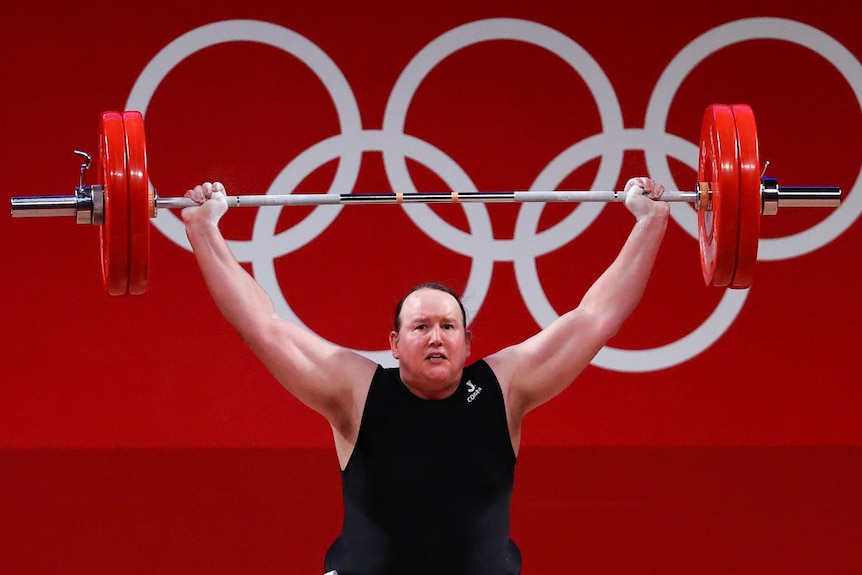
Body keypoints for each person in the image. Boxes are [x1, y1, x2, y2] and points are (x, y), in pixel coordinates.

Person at [181, 177, 669, 575]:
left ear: (468, 343)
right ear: (393, 344)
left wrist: (651, 224)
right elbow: (262, 327)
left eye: (448, 327)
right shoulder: (355, 392)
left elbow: (594, 319)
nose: (436, 338)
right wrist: (204, 230)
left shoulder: (506, 387)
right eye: (420, 327)